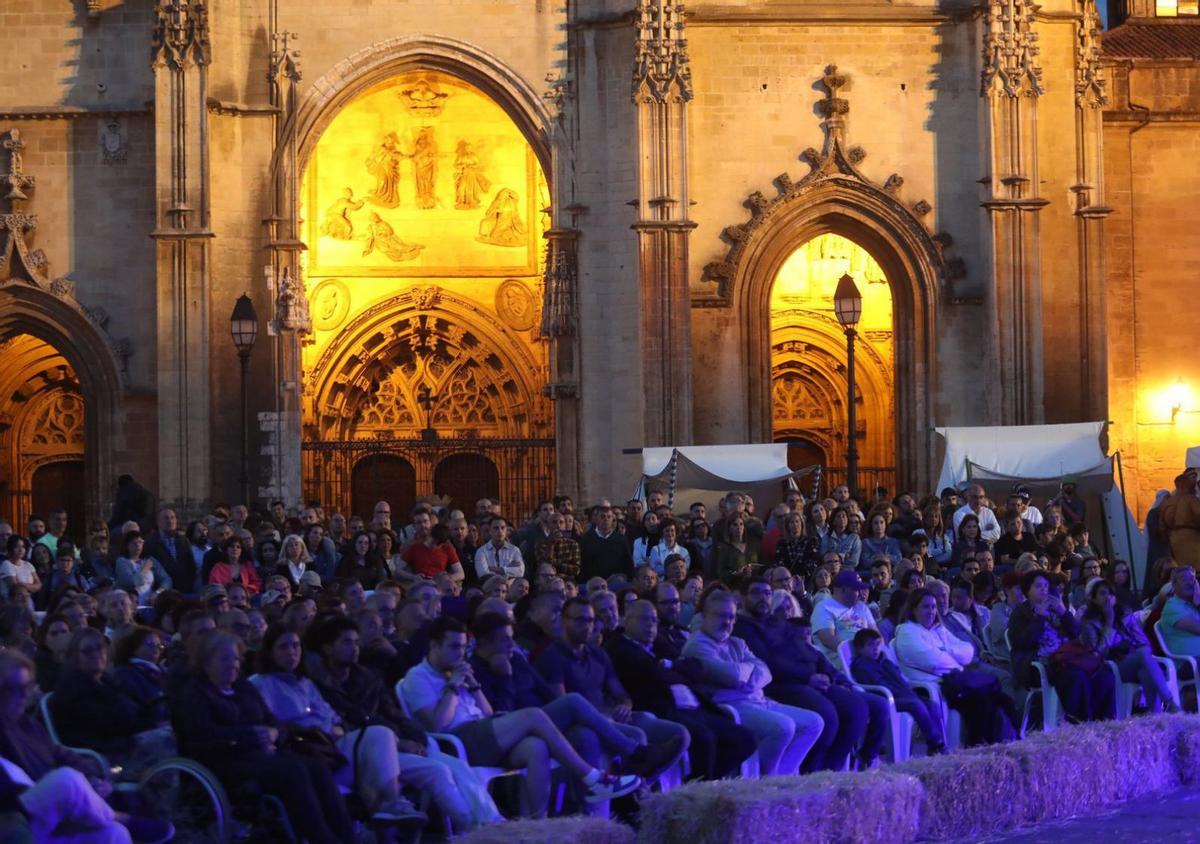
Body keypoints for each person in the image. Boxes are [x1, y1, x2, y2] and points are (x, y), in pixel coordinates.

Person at [399, 617, 642, 816]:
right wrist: (452, 687)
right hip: (457, 742)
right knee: (535, 716)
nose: (460, 653)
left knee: (536, 748)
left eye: (463, 647)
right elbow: (437, 724)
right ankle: (593, 777)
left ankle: (532, 827)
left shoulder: (459, 671)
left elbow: (488, 713)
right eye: (453, 647)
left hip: (484, 730)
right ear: (434, 646)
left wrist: (473, 687)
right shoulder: (417, 678)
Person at [172, 631, 356, 843]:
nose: (232, 664)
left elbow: (272, 720)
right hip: (224, 761)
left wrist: (274, 733)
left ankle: (347, 836)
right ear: (206, 663)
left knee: (317, 768)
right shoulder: (196, 693)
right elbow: (202, 737)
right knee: (292, 773)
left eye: (235, 658)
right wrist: (250, 736)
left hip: (261, 754)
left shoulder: (243, 687)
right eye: (224, 659)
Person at [248, 625, 427, 823]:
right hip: (306, 750)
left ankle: (390, 804)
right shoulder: (261, 683)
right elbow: (272, 724)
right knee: (376, 749)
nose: (292, 652)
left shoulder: (304, 682)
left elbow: (330, 715)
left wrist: (337, 729)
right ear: (270, 652)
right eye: (283, 647)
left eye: (296, 646)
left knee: (381, 734)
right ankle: (387, 808)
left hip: (332, 742)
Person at [0, 650, 173, 844]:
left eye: (27, 686)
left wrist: (91, 777)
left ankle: (117, 820)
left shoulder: (27, 725)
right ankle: (123, 817)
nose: (24, 695)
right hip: (16, 815)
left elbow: (61, 754)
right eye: (14, 688)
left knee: (115, 833)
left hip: (48, 815)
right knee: (66, 780)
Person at [735, 578, 887, 771]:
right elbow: (768, 663)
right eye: (756, 592)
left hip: (809, 679)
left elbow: (808, 651)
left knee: (857, 707)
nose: (763, 598)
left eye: (767, 593)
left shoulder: (776, 623)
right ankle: (812, 771)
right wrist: (808, 677)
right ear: (743, 597)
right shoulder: (744, 626)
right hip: (780, 684)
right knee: (828, 715)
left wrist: (832, 676)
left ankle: (832, 767)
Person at [605, 600, 757, 780]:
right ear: (626, 621)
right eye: (644, 619)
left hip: (693, 706)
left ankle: (707, 783)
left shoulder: (658, 641)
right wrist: (676, 669)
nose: (650, 625)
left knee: (745, 739)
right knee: (704, 738)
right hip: (661, 708)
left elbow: (696, 667)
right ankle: (698, 792)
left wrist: (670, 667)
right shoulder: (620, 647)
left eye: (654, 620)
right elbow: (655, 673)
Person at [681, 589, 824, 776]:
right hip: (729, 706)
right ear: (705, 616)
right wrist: (747, 671)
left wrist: (746, 677)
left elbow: (766, 672)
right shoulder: (697, 645)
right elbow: (733, 675)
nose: (727, 622)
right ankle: (765, 780)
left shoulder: (737, 642)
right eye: (721, 616)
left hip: (758, 700)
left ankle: (782, 777)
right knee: (782, 727)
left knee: (814, 722)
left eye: (731, 617)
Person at [535, 597, 690, 766]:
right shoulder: (552, 656)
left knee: (680, 734)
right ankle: (634, 784)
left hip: (610, 715)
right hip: (580, 723)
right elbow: (563, 704)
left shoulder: (598, 654)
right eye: (580, 620)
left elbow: (621, 694)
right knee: (636, 735)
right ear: (564, 621)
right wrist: (604, 718)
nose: (587, 626)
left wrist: (625, 707)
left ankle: (646, 784)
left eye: (590, 620)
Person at [893, 589, 1016, 745]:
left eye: (933, 607)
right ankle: (977, 746)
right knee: (981, 700)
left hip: (953, 679)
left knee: (1001, 698)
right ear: (913, 609)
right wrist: (954, 660)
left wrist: (945, 651)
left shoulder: (938, 630)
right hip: (933, 686)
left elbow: (968, 652)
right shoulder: (907, 632)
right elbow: (933, 661)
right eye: (925, 607)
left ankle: (1012, 740)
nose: (931, 611)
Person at [1008, 570, 1115, 723]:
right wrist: (1039, 617)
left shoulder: (1055, 607)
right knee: (1077, 676)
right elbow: (1022, 643)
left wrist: (1063, 612)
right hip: (1040, 663)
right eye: (1038, 586)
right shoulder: (1019, 613)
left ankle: (1105, 722)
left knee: (1104, 674)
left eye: (1046, 586)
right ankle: (1082, 724)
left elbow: (1076, 632)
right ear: (1027, 591)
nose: (1044, 589)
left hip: (1067, 657)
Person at [1079, 578, 1179, 713]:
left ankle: (1156, 715)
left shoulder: (1125, 612)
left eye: (1110, 594)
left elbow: (1143, 641)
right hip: (1111, 666)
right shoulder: (1089, 621)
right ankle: (1169, 701)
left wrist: (1137, 652)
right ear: (1094, 599)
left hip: (1135, 659)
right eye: (1102, 594)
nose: (1108, 597)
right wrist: (1109, 621)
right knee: (1143, 655)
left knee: (1144, 669)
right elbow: (1097, 654)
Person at [850, 628, 945, 754]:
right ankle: (936, 742)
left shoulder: (884, 661)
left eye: (877, 644)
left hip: (905, 694)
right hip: (889, 699)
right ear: (859, 649)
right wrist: (903, 693)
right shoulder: (862, 666)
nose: (875, 648)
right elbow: (878, 685)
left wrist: (908, 692)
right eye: (870, 645)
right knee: (916, 705)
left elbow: (899, 677)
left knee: (933, 706)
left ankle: (935, 747)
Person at [810, 571, 880, 661]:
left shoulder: (861, 606)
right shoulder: (823, 608)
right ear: (843, 590)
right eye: (856, 590)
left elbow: (876, 635)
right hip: (844, 663)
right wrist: (860, 652)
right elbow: (828, 640)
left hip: (869, 658)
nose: (861, 594)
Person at [1161, 468, 1200, 570]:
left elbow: (1162, 526)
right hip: (1192, 539)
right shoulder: (1191, 499)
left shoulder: (1167, 502)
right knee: (1195, 570)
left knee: (1181, 569)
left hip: (1174, 540)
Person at [1158, 565, 1200, 657]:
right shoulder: (1172, 607)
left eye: (1192, 579)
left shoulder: (1193, 602)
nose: (1190, 583)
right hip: (1187, 664)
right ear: (1174, 584)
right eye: (1184, 579)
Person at [474, 516, 525, 580]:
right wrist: (509, 570)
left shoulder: (514, 550)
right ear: (489, 531)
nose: (500, 531)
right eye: (496, 528)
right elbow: (483, 574)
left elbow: (520, 572)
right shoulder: (481, 551)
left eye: (502, 528)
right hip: (489, 588)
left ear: (506, 530)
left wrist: (500, 569)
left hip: (511, 588)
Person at [1, 535, 41, 601]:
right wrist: (32, 587)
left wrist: (24, 585)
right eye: (17, 547)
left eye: (23, 547)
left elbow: (39, 585)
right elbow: (15, 587)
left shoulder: (28, 564)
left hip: (29, 599)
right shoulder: (6, 564)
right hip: (13, 602)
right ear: (11, 548)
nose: (20, 550)